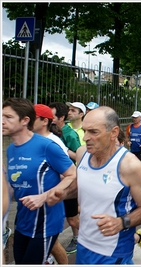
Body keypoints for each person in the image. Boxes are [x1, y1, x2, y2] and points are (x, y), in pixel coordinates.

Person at [74, 106, 141, 264]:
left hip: (113, 251)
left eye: (94, 132)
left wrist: (121, 222)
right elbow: (82, 187)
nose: (86, 138)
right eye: (85, 131)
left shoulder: (131, 166)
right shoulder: (82, 153)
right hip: (83, 244)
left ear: (114, 133)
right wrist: (54, 194)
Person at [2, 98, 77, 264]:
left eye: (8, 117)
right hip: (23, 220)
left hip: (45, 222)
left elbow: (72, 174)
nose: (2, 121)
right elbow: (16, 185)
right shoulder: (11, 149)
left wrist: (44, 196)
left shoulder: (47, 146)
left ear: (24, 121)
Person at [33, 104, 70, 264]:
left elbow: (67, 174)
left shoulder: (53, 143)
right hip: (31, 205)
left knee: (52, 242)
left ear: (43, 121)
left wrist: (52, 195)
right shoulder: (31, 140)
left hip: (49, 204)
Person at [48, 102, 81, 254]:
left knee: (73, 218)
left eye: (53, 116)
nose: (50, 118)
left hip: (70, 180)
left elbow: (79, 157)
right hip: (55, 180)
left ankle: (82, 237)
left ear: (60, 118)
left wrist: (64, 150)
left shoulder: (70, 134)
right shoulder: (51, 131)